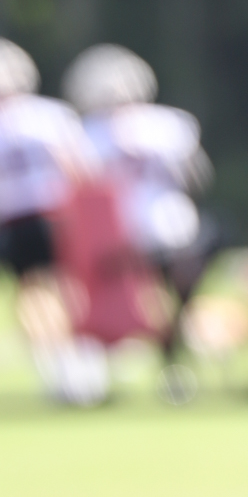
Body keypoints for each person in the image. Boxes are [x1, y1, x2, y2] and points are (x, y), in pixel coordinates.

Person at [0, 35, 107, 404]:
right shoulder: (50, 115)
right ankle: (78, 365)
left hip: (14, 220)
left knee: (34, 296)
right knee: (62, 293)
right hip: (53, 216)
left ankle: (59, 367)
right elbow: (82, 172)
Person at [62, 43, 219, 390]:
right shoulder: (97, 131)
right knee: (150, 300)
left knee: (159, 298)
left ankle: (167, 358)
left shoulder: (159, 126)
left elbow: (196, 177)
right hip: (145, 230)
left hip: (148, 230)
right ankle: (160, 361)